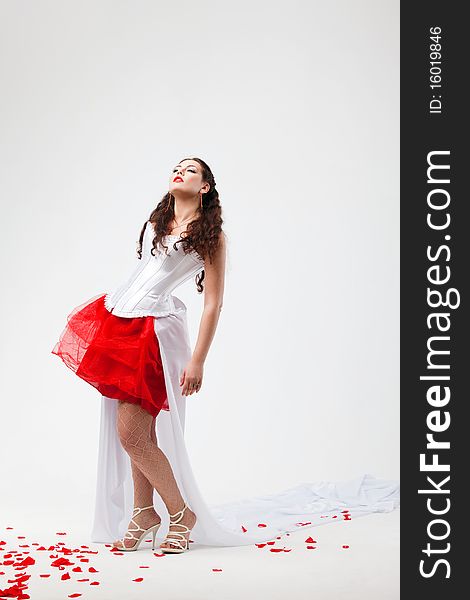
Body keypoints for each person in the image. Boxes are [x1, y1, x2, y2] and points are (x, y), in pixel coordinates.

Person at [52, 157, 400, 554]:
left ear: (205, 188)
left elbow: (213, 303)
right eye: (177, 167)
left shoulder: (210, 235)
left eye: (192, 170)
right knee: (138, 432)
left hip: (155, 332)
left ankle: (181, 514)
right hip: (121, 320)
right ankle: (144, 510)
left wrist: (197, 360)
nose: (179, 171)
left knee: (131, 433)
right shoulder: (157, 221)